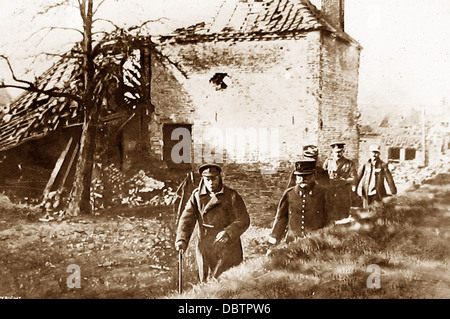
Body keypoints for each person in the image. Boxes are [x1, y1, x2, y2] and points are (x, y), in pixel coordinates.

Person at [174, 163, 250, 282]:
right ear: (203, 179)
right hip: (205, 244)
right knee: (205, 281)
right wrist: (182, 240)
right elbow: (187, 219)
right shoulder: (196, 196)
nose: (210, 183)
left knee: (227, 282)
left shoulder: (232, 196)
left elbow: (243, 220)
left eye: (213, 179)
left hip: (228, 246)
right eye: (207, 179)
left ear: (219, 177)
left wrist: (228, 233)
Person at [268, 159, 328, 245]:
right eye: (299, 176)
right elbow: (281, 218)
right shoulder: (289, 193)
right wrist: (272, 242)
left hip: (316, 242)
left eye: (306, 176)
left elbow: (330, 219)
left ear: (314, 175)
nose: (303, 179)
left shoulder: (323, 193)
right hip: (292, 242)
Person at [322, 142, 357, 220]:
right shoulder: (328, 161)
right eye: (336, 152)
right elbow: (322, 177)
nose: (338, 154)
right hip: (330, 190)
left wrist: (344, 181)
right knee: (329, 211)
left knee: (343, 213)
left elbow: (354, 178)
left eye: (340, 152)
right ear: (332, 152)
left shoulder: (349, 163)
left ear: (343, 152)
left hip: (343, 191)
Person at [355, 145, 397, 209]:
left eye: (376, 152)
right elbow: (358, 177)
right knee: (366, 209)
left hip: (378, 192)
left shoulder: (383, 165)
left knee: (378, 210)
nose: (374, 154)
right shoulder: (366, 164)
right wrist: (354, 188)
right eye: (372, 152)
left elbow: (389, 178)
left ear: (379, 154)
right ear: (370, 153)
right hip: (366, 191)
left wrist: (393, 191)